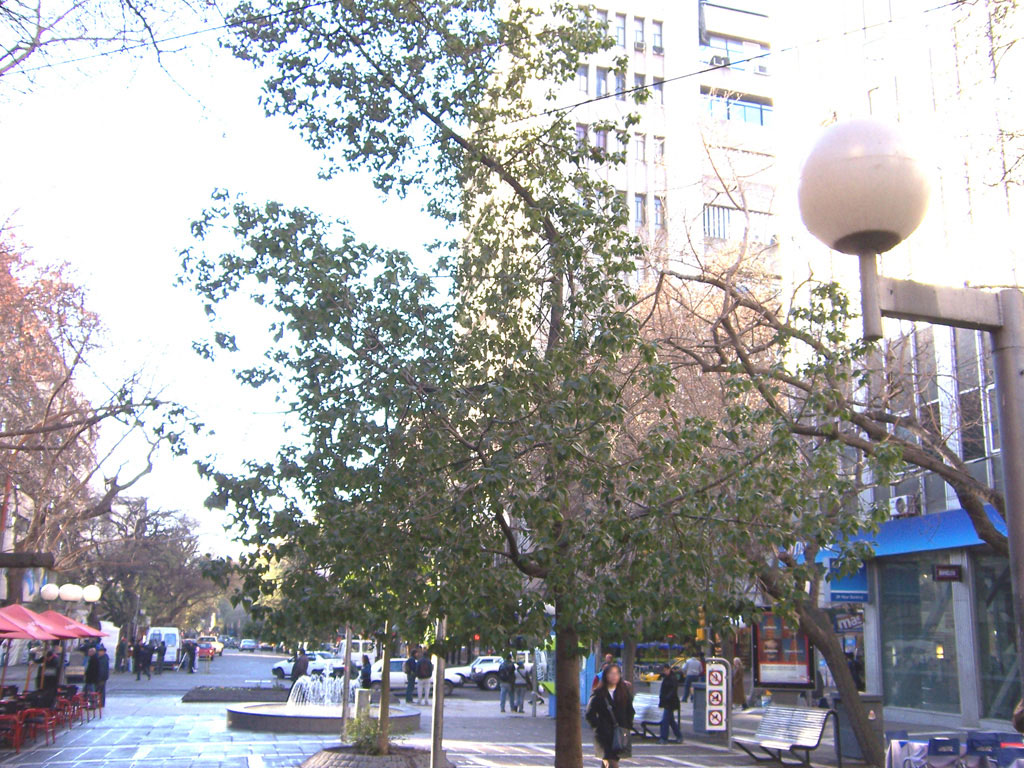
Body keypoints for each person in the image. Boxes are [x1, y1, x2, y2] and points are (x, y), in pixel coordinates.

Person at [585, 663, 635, 768]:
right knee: (611, 762)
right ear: (605, 675)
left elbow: (630, 710)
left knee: (609, 761)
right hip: (604, 735)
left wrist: (627, 726)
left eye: (616, 673)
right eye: (611, 673)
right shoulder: (599, 693)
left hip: (619, 734)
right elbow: (590, 713)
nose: (614, 676)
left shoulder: (623, 692)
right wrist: (598, 727)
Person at [657, 663, 683, 743]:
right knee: (671, 721)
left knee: (665, 720)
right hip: (669, 702)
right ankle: (679, 736)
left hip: (670, 702)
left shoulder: (672, 678)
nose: (664, 672)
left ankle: (664, 738)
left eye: (665, 670)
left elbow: (673, 690)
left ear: (669, 669)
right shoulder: (668, 678)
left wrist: (666, 698)